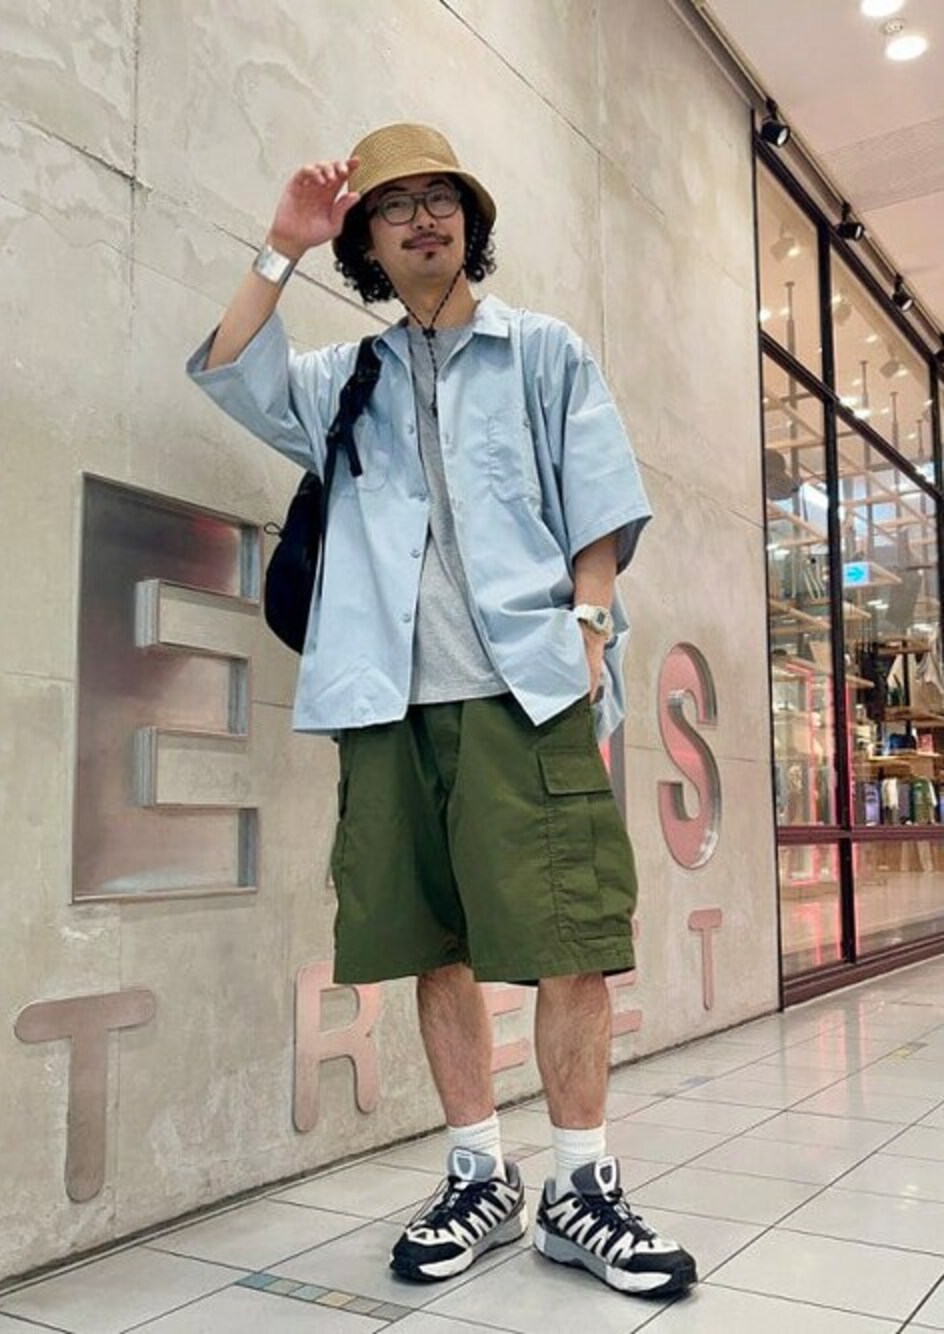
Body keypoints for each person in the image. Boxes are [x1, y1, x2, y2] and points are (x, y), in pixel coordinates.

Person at [187, 122, 696, 1299]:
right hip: (386, 700)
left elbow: (600, 502)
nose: (423, 218)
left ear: (470, 221)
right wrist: (280, 243)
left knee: (570, 938)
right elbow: (227, 366)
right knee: (431, 942)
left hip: (528, 687)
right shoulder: (343, 379)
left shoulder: (542, 351)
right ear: (365, 239)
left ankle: (581, 1185)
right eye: (395, 204)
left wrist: (588, 627)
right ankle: (478, 1172)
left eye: (441, 198)